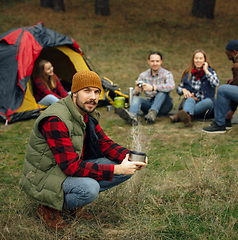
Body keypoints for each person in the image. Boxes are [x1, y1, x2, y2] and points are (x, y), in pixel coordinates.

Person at [20, 70, 147, 229]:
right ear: (74, 93)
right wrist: (117, 169)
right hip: (45, 176)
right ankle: (48, 206)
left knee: (126, 167)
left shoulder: (87, 113)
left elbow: (105, 143)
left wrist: (130, 156)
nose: (93, 97)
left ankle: (72, 206)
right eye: (86, 91)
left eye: (96, 92)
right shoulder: (55, 119)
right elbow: (70, 166)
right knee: (90, 188)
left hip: (66, 167)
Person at [116, 51, 175, 125]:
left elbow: (171, 86)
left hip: (164, 105)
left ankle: (152, 113)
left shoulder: (167, 74)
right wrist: (137, 91)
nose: (155, 63)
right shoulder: (143, 75)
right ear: (148, 61)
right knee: (136, 98)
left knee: (161, 92)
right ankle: (132, 117)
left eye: (157, 61)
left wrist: (153, 88)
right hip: (149, 103)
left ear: (161, 61)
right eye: (152, 61)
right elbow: (135, 94)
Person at [170, 50, 219, 128]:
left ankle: (181, 115)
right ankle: (188, 118)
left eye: (200, 58)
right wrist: (184, 90)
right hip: (192, 103)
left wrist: (206, 70)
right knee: (189, 99)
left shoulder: (210, 72)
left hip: (206, 107)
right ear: (193, 60)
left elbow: (215, 83)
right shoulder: (188, 73)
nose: (198, 60)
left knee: (208, 101)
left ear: (204, 60)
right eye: (196, 58)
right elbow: (178, 89)